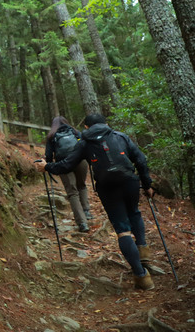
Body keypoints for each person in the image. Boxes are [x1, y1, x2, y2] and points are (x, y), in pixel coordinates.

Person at [36, 113, 156, 290]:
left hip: (107, 187)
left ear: (86, 128)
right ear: (106, 123)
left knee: (123, 230)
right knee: (134, 212)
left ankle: (141, 276)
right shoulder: (121, 136)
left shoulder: (84, 143)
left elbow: (66, 164)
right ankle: (142, 250)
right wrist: (147, 185)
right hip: (129, 182)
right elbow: (140, 159)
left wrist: (46, 166)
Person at [44, 116, 92, 232]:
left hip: (63, 164)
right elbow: (84, 146)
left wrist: (50, 166)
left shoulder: (51, 136)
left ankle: (82, 223)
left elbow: (49, 156)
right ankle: (87, 211)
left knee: (72, 192)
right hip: (80, 161)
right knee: (81, 185)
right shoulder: (75, 132)